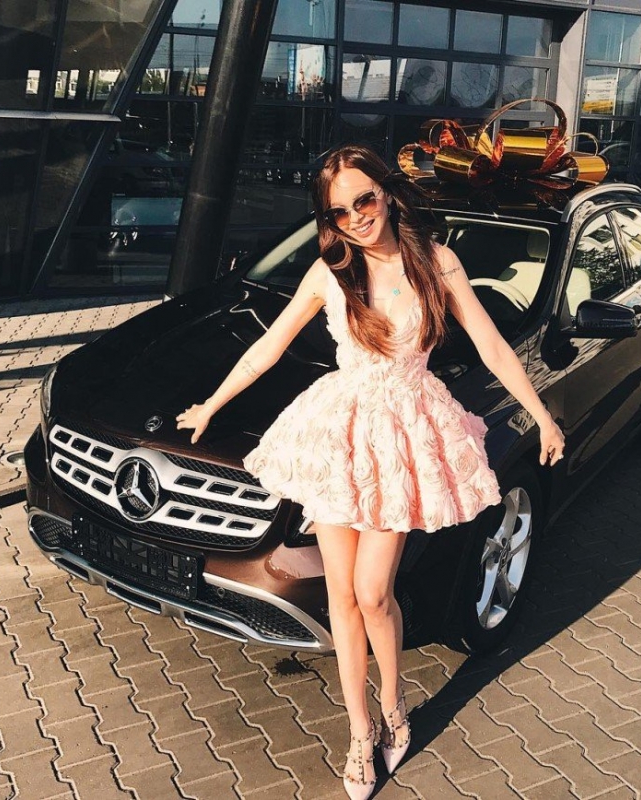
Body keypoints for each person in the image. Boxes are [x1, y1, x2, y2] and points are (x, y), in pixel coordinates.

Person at [176, 144, 565, 798]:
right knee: (341, 595)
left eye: (364, 199)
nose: (356, 216)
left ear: (386, 193)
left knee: (374, 592)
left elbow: (492, 344)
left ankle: (393, 703)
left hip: (404, 432)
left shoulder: (436, 262)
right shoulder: (330, 272)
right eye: (340, 210)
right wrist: (212, 404)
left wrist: (541, 415)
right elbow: (269, 345)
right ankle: (359, 730)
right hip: (340, 434)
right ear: (328, 219)